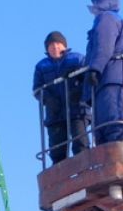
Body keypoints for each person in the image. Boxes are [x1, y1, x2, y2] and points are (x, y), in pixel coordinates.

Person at [83, 0, 123, 144]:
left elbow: (104, 46)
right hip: (108, 79)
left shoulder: (106, 18)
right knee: (104, 126)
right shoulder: (111, 19)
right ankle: (113, 157)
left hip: (111, 78)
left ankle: (120, 157)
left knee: (112, 123)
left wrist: (95, 69)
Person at [32, 30, 90, 162]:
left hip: (77, 110)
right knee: (57, 150)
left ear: (64, 45)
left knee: (80, 143)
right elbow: (37, 89)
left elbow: (88, 76)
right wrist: (48, 100)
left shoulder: (77, 59)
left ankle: (85, 170)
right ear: (47, 49)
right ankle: (61, 179)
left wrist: (78, 90)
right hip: (55, 114)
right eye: (51, 45)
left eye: (58, 43)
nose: (55, 47)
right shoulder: (42, 66)